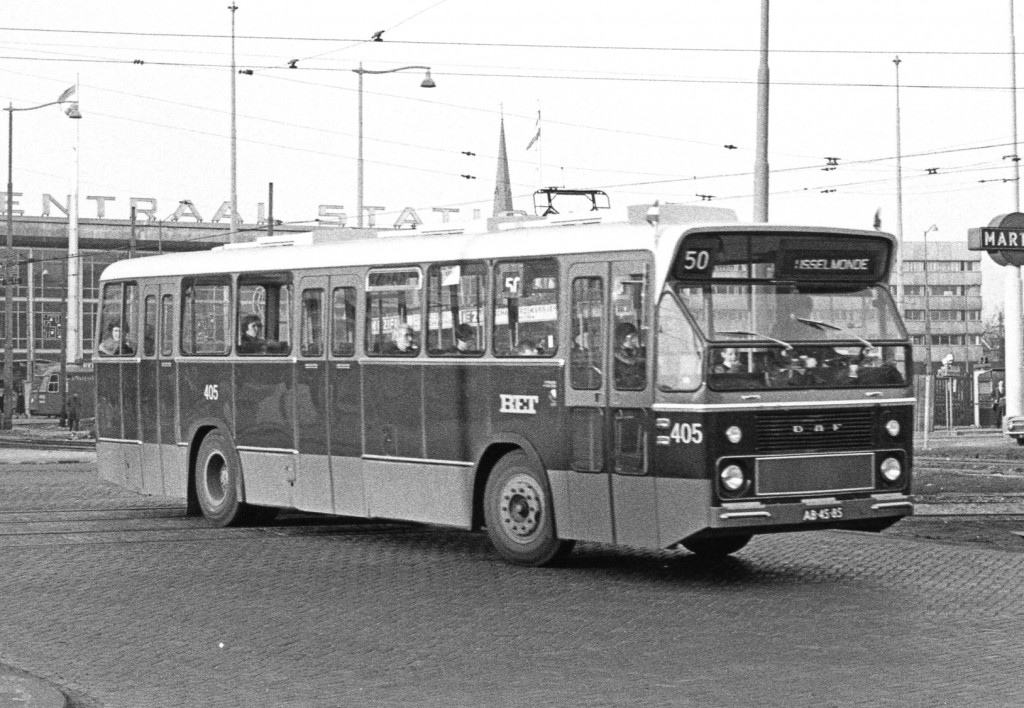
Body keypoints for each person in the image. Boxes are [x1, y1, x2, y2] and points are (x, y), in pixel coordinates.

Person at [613, 322, 646, 389]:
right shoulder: (613, 356)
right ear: (622, 338)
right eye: (631, 337)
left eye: (635, 336)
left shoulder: (643, 352)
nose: (634, 340)